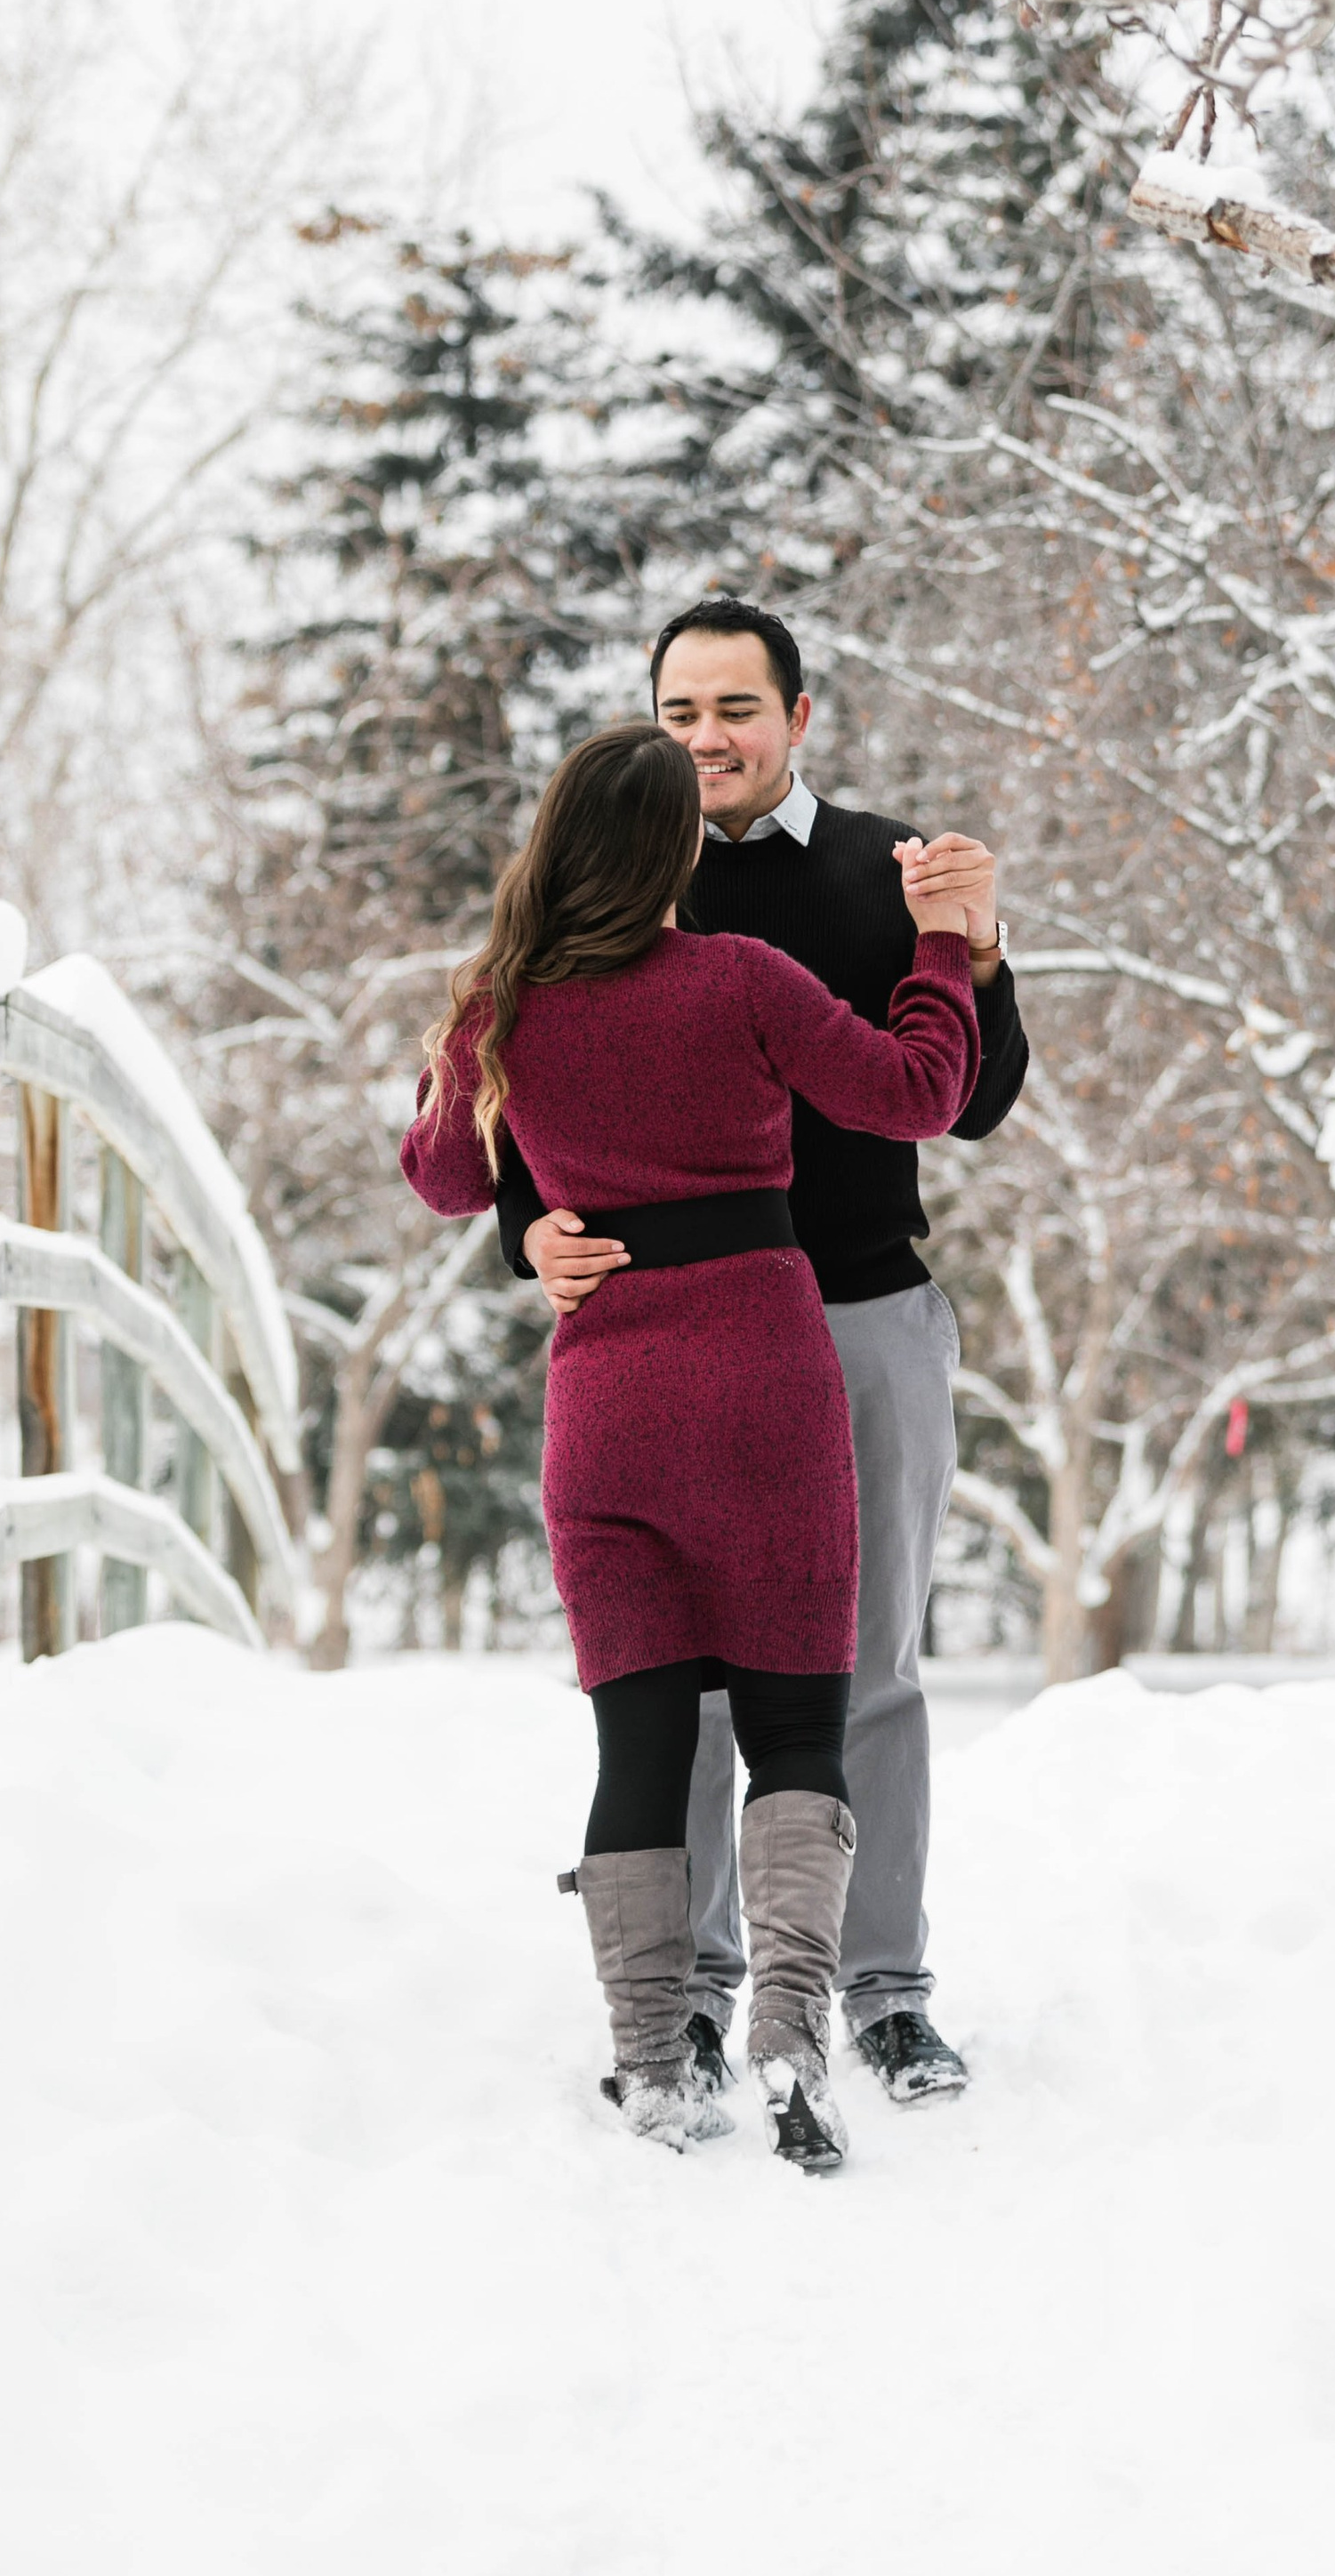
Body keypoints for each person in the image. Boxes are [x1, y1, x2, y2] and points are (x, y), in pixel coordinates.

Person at [399, 719, 979, 2172]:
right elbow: (919, 1093)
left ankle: (656, 2064)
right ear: (671, 856)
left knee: (642, 1742)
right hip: (769, 1385)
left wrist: (467, 1075)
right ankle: (793, 2035)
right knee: (794, 1726)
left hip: (611, 1413)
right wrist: (942, 957)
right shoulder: (739, 978)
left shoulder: (506, 1006)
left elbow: (442, 1176)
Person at [495, 597, 1028, 2105]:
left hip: (859, 1315)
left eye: (735, 708)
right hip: (671, 1329)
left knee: (870, 1667)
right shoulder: (608, 882)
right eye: (678, 714)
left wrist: (973, 951)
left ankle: (883, 1987)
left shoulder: (888, 868)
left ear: (800, 717)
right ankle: (704, 1992)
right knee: (698, 1687)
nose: (707, 738)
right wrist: (526, 1235)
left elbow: (967, 1100)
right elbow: (515, 1105)